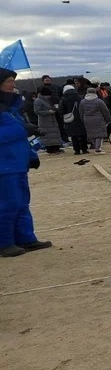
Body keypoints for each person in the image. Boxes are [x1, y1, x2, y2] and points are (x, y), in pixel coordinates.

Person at [0, 68, 52, 257]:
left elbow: (21, 134)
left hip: (17, 163)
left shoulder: (11, 108)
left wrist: (31, 155)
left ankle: (25, 238)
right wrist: (24, 130)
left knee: (22, 202)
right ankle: (4, 243)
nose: (13, 84)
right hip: (4, 166)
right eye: (8, 81)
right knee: (8, 203)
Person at [79, 87, 111, 153]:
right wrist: (108, 119)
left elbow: (81, 112)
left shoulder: (82, 102)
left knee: (91, 133)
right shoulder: (99, 101)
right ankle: (98, 147)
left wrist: (83, 119)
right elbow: (105, 111)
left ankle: (95, 145)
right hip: (98, 119)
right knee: (99, 134)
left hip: (87, 119)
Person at [60, 84, 88, 155]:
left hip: (70, 118)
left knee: (73, 135)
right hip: (80, 117)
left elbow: (61, 110)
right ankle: (84, 149)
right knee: (83, 134)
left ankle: (77, 150)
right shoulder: (79, 97)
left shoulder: (63, 99)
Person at [34, 87, 63, 154]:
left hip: (52, 120)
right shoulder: (37, 101)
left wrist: (54, 108)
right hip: (44, 121)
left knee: (55, 135)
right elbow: (37, 111)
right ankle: (50, 149)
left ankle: (56, 148)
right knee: (47, 136)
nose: (49, 96)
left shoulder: (48, 100)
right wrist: (48, 112)